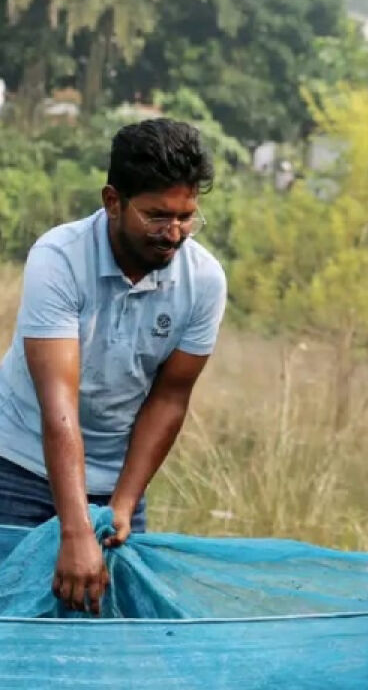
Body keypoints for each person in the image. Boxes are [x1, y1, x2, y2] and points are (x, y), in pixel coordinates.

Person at [0, 118, 226, 614]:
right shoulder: (58, 259)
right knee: (13, 625)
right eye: (156, 216)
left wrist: (122, 503)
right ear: (112, 201)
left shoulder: (204, 280)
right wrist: (75, 528)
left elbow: (170, 397)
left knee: (104, 629)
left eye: (187, 217)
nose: (174, 234)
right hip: (18, 466)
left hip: (115, 477)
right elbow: (57, 404)